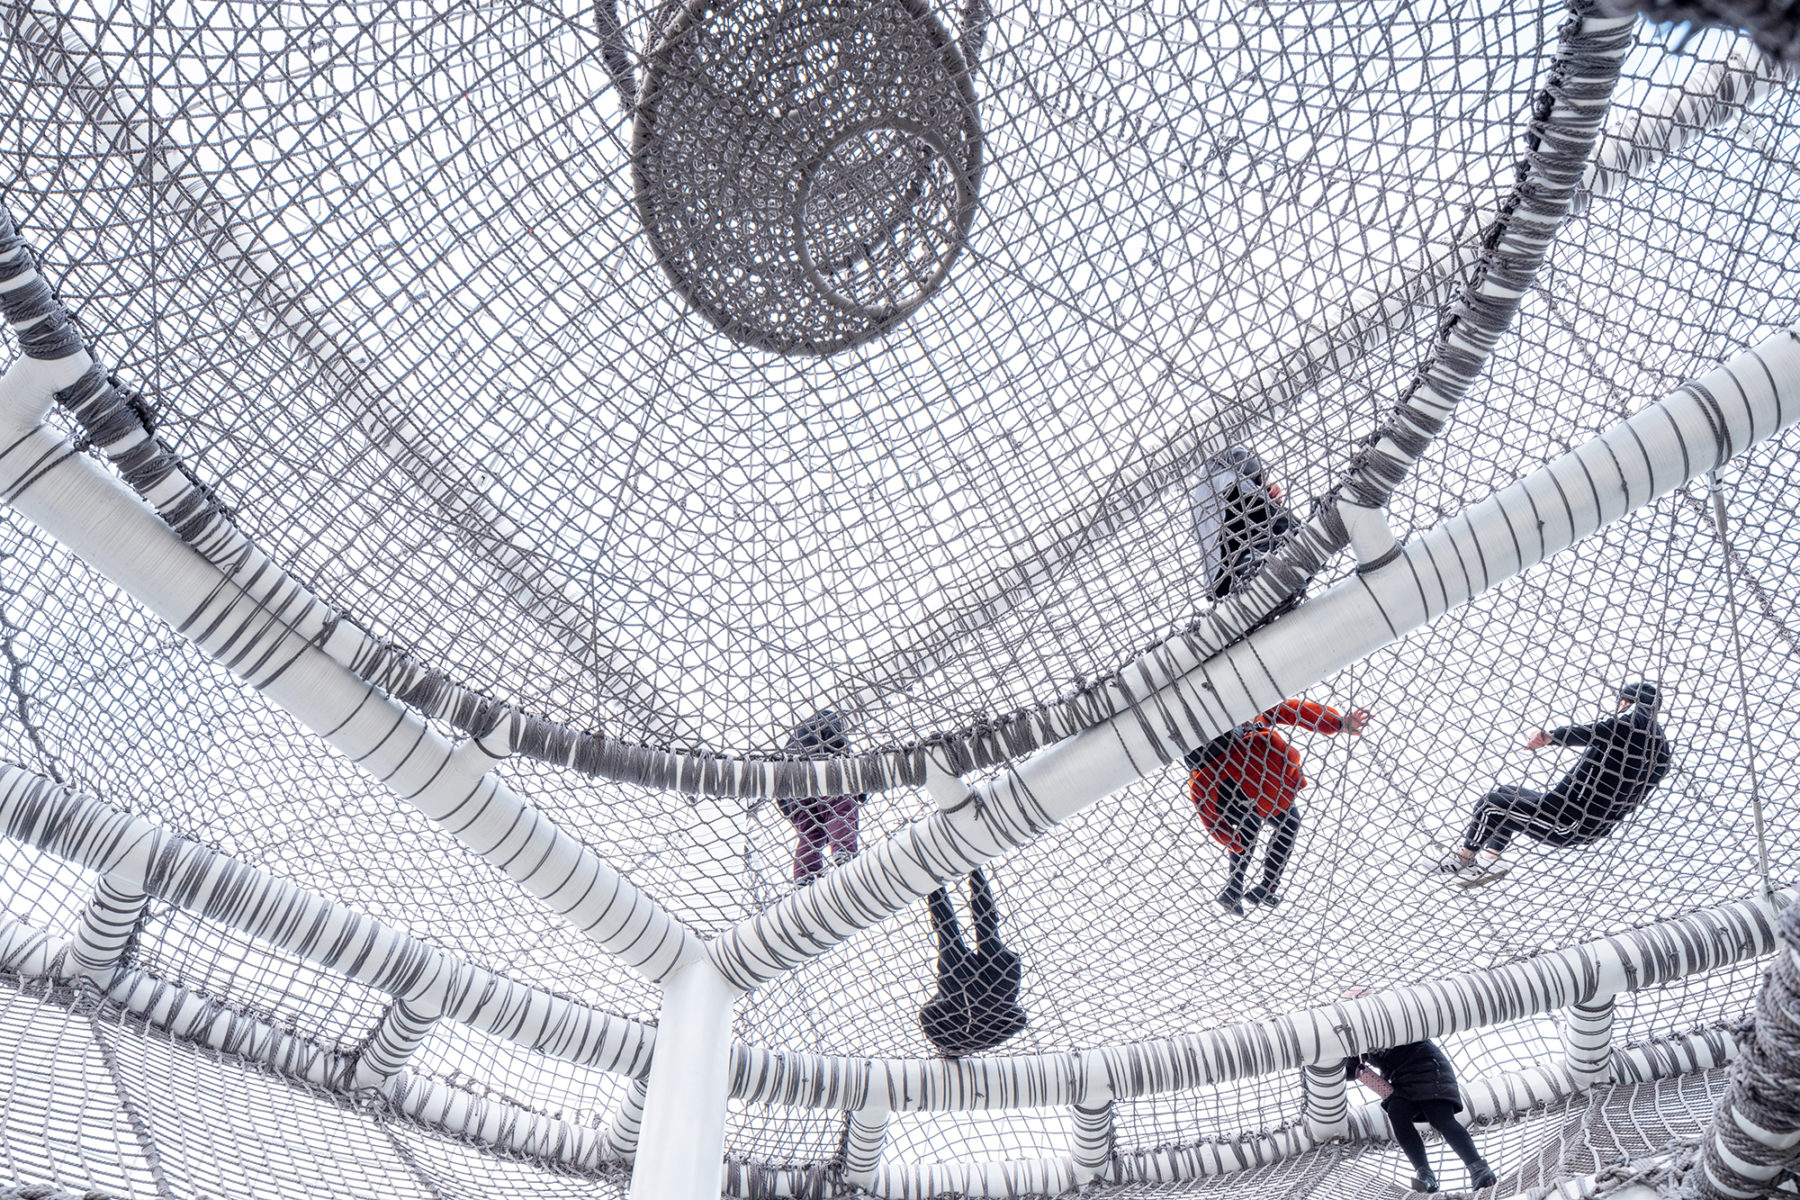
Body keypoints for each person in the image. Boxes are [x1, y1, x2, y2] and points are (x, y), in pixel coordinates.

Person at [1439, 682, 1671, 882]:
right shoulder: (1661, 749)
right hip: (1571, 810)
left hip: (1571, 820)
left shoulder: (1635, 721)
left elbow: (1597, 730)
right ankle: (1491, 858)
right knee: (1507, 791)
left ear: (1626, 702)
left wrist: (1551, 737)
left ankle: (1464, 861)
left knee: (1491, 805)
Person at [1185, 698, 1371, 915]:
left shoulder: (1248, 704)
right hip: (1233, 772)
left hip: (1237, 779)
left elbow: (1291, 710)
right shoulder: (1243, 705)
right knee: (1270, 821)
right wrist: (1337, 723)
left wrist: (1337, 723)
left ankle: (1251, 886)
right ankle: (1249, 886)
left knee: (1268, 822)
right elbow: (1292, 710)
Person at [1340, 990, 1498, 1194]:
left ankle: (1478, 1168)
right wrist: (1327, 1067)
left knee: (1439, 1116)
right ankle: (1425, 1173)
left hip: (1427, 1066)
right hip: (1400, 1079)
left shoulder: (1392, 1014)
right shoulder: (1357, 1039)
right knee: (1397, 1113)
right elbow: (1352, 1068)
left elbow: (1416, 1022)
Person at [919, 868, 1027, 1057]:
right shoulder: (945, 1038)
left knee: (985, 928)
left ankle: (973, 870)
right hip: (966, 992)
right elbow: (926, 1014)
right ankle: (936, 874)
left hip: (993, 993)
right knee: (949, 932)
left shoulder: (952, 1039)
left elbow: (1018, 1018)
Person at [1190, 446, 1295, 602]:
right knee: (1289, 527)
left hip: (1221, 572)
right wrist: (1264, 480)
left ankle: (1251, 564)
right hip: (1233, 497)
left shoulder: (1196, 511)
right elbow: (1232, 453)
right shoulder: (1213, 463)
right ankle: (1257, 562)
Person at [779, 711, 866, 884]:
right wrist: (860, 789)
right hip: (825, 775)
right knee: (840, 810)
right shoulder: (827, 717)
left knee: (810, 834)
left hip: (796, 793)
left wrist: (790, 811)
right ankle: (844, 851)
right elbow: (838, 745)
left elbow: (779, 784)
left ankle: (804, 876)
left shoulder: (791, 743)